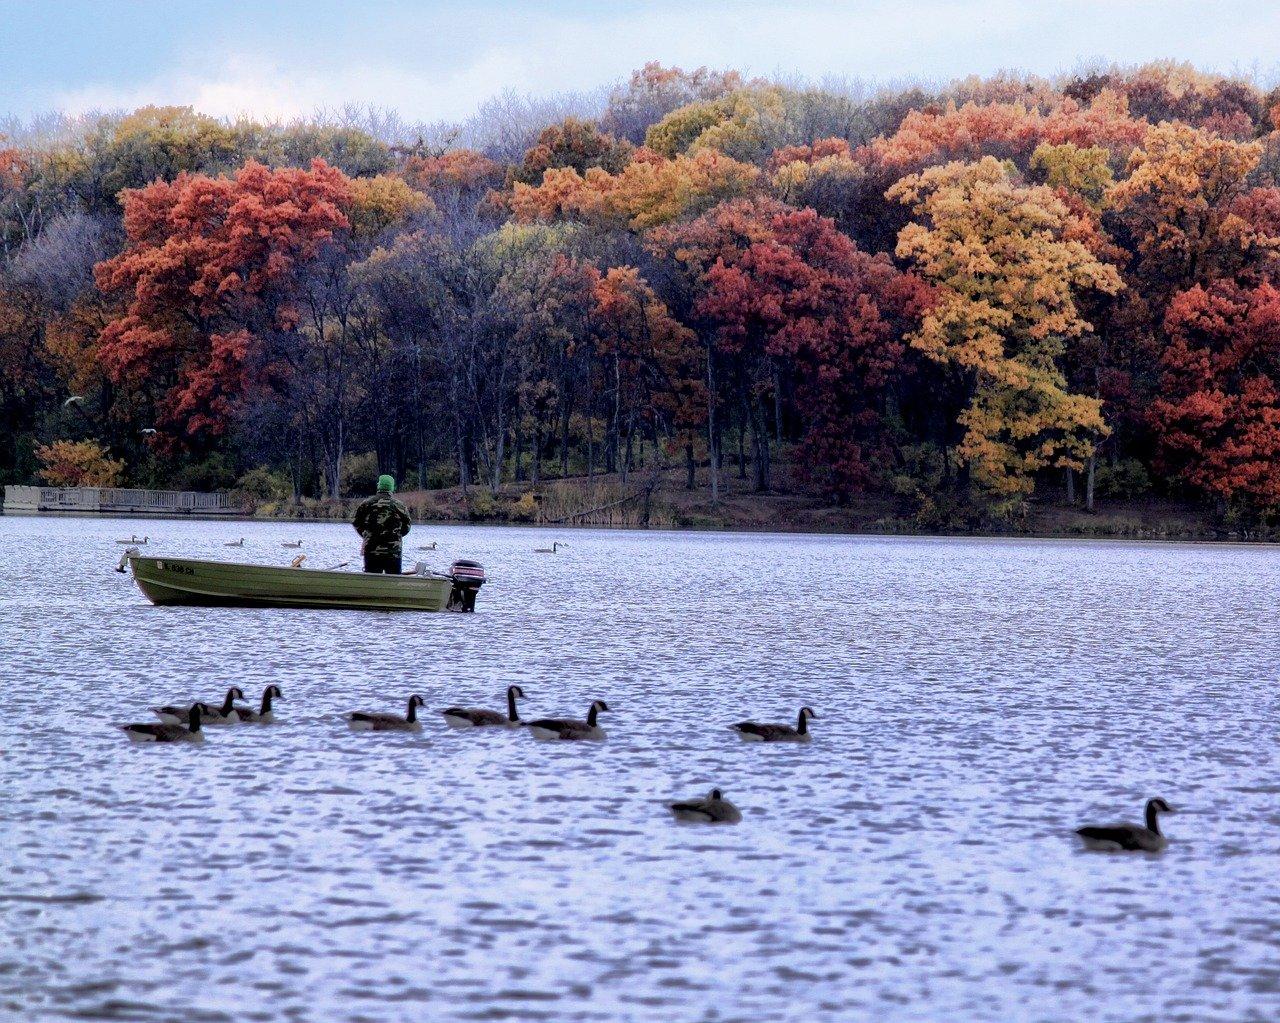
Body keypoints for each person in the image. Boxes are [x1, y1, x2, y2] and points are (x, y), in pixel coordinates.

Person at [352, 475, 411, 574]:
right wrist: (396, 536)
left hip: (371, 551)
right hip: (393, 552)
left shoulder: (366, 504)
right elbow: (407, 527)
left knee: (372, 580)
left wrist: (366, 535)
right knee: (394, 580)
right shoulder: (399, 506)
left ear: (379, 486)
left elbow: (357, 523)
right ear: (391, 488)